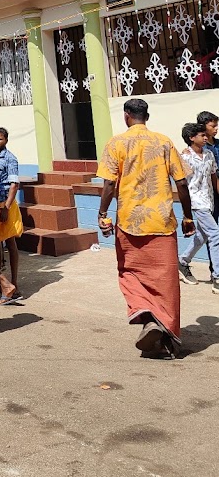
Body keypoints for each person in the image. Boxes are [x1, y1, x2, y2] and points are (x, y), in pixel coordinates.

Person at [97, 98, 194, 359]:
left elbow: (108, 184)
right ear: (146, 116)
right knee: (166, 282)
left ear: (127, 116)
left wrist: (103, 213)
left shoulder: (116, 143)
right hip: (161, 222)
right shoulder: (164, 141)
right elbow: (182, 183)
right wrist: (187, 217)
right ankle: (165, 334)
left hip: (130, 222)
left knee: (131, 274)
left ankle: (150, 320)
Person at [177, 123, 219, 291]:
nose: (205, 137)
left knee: (202, 236)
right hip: (196, 201)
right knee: (215, 234)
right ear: (191, 138)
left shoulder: (209, 155)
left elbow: (214, 178)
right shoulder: (185, 157)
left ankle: (183, 261)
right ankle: (217, 276)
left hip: (209, 200)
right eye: (202, 135)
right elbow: (180, 182)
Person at [0, 127, 23, 301]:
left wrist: (6, 207)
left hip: (4, 205)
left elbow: (14, 184)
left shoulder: (10, 159)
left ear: (6, 141)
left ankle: (14, 283)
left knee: (10, 244)